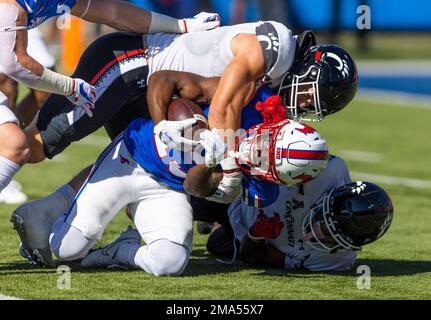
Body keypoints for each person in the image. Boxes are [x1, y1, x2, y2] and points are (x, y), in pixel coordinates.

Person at [13, 70, 329, 268]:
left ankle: (121, 251)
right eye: (265, 147)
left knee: (170, 262)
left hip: (169, 189)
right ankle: (47, 213)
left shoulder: (264, 188)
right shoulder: (250, 101)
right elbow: (162, 79)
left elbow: (194, 189)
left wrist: (215, 165)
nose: (257, 155)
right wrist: (166, 123)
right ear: (273, 128)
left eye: (266, 163)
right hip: (133, 157)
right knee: (66, 250)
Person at [206, 156, 394, 271]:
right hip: (244, 188)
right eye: (323, 222)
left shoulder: (337, 260)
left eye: (330, 236)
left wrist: (256, 234)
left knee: (217, 245)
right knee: (196, 182)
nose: (315, 234)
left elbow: (256, 258)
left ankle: (215, 224)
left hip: (242, 229)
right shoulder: (328, 171)